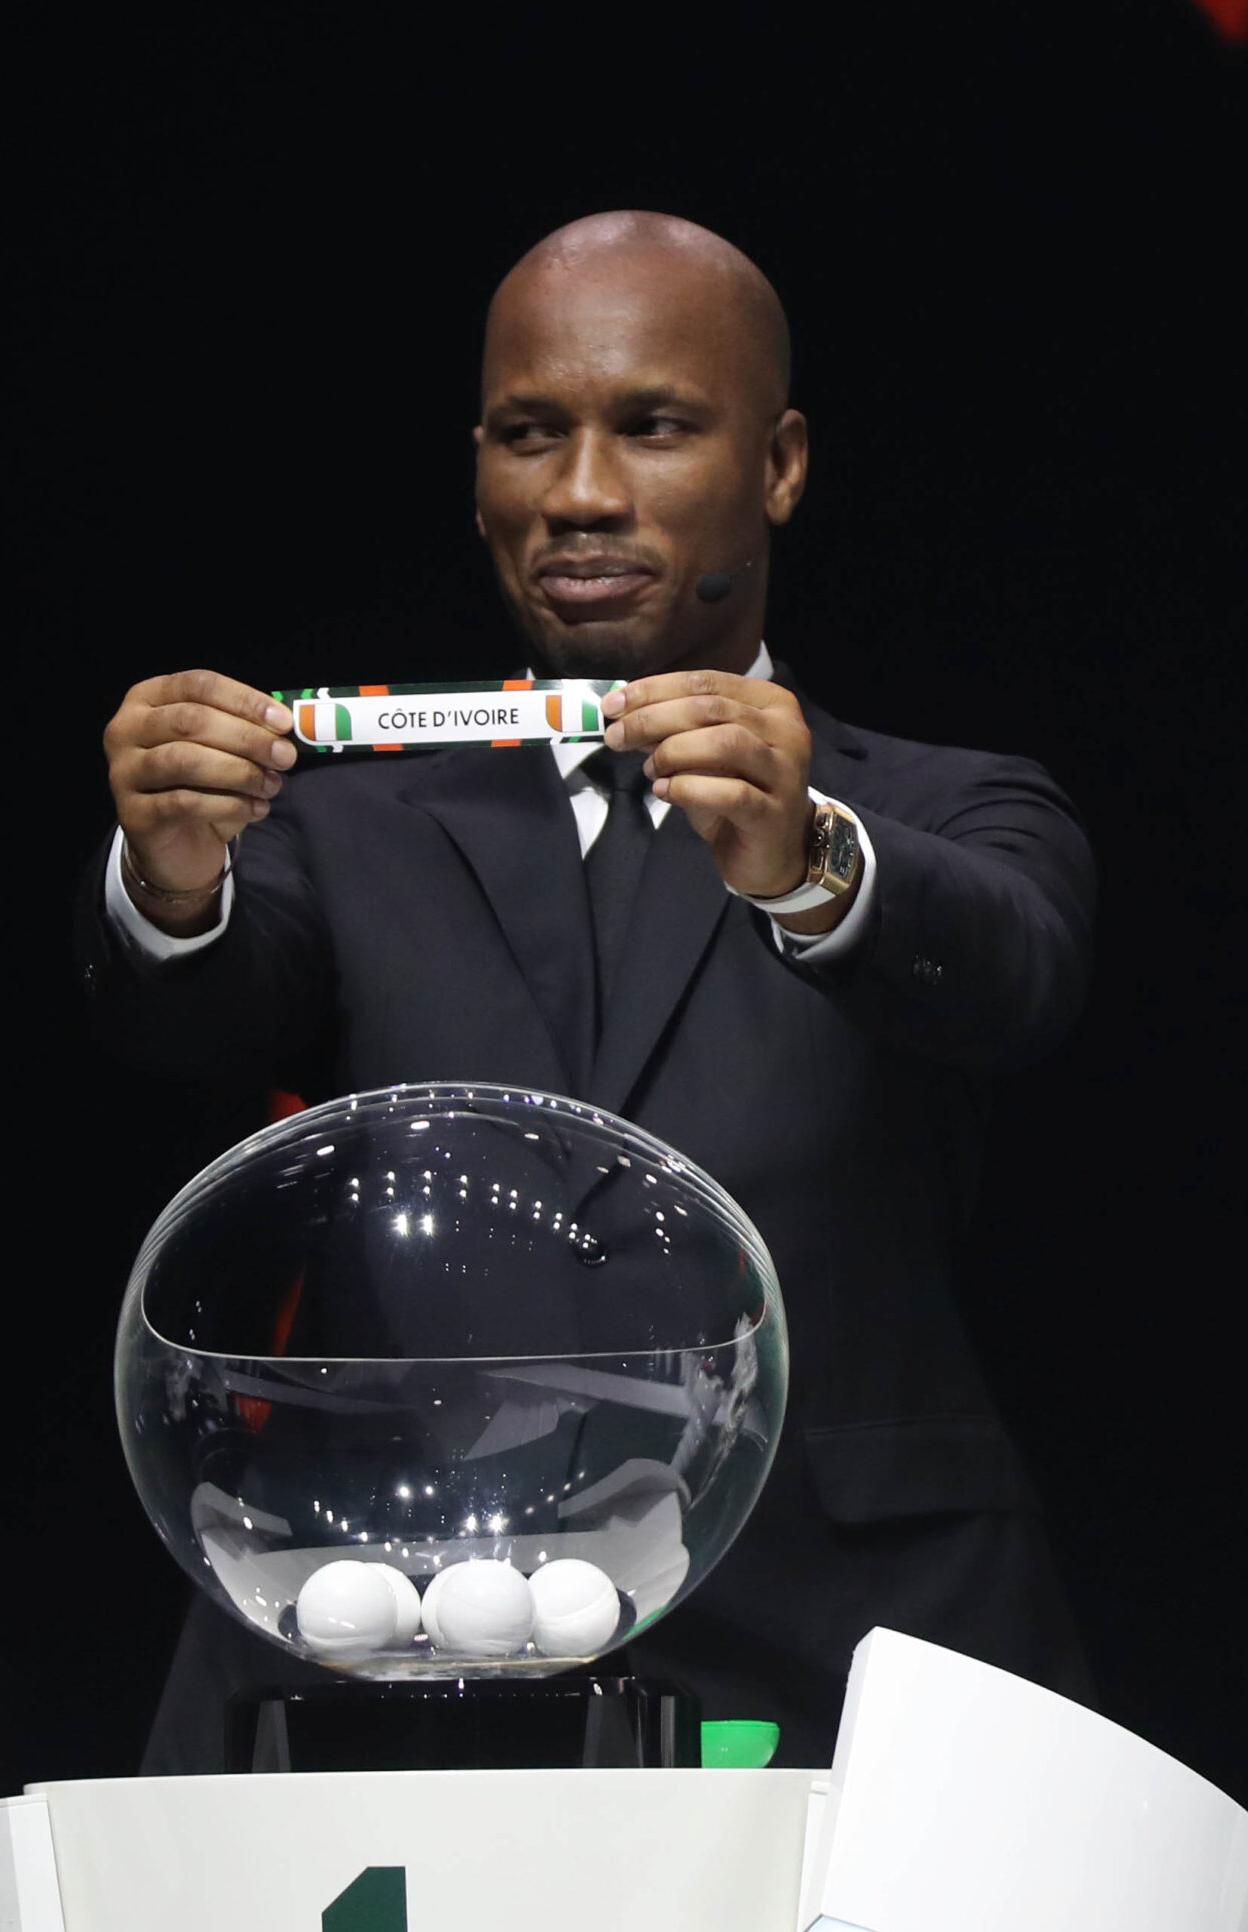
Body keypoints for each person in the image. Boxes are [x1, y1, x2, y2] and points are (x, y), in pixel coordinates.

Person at [81, 211, 1095, 1770]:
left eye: (653, 427)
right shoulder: (337, 818)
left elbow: (1014, 978)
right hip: (408, 1633)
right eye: (528, 435)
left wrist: (811, 860)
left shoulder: (943, 810)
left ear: (781, 463)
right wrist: (167, 874)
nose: (579, 495)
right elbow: (190, 1013)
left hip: (865, 1640)